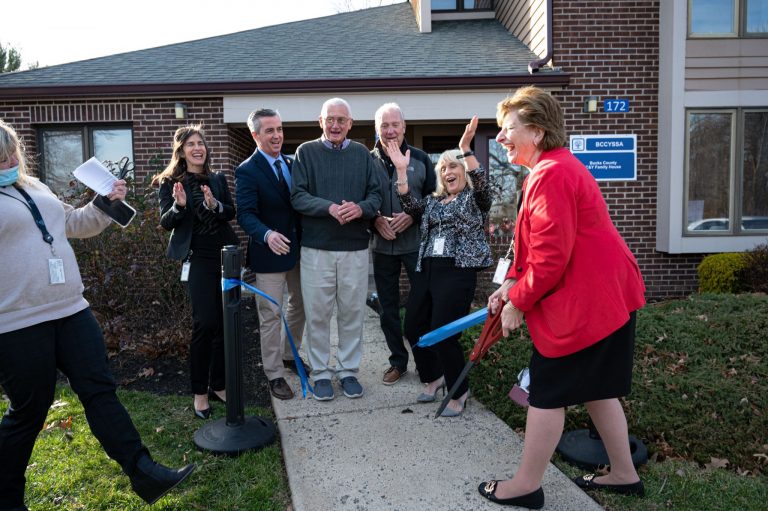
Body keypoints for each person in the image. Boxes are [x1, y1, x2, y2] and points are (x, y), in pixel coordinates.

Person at [0, 119, 195, 510]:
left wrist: (105, 202)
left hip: (71, 308)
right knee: (29, 412)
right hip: (18, 322)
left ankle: (145, 472)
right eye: (2, 154)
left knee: (100, 389)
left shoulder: (32, 186)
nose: (10, 158)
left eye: (11, 150)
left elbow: (71, 223)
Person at [477, 86, 646, 509]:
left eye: (507, 129)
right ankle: (624, 474)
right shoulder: (553, 168)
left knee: (548, 391)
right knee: (597, 388)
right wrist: (509, 284)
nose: (500, 138)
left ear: (536, 131)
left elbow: (551, 259)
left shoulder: (552, 174)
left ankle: (526, 485)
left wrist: (519, 302)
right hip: (605, 301)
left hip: (589, 306)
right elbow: (535, 248)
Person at [392, 116, 492, 417]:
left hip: (458, 271)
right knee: (413, 327)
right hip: (427, 268)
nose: (448, 171)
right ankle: (433, 377)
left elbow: (484, 185)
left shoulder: (474, 200)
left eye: (454, 166)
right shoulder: (434, 202)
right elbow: (410, 206)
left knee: (444, 332)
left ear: (463, 171)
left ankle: (459, 391)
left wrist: (465, 148)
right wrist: (400, 171)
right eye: (444, 167)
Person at [291, 97, 382, 401]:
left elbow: (376, 196)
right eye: (330, 119)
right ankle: (320, 374)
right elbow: (298, 197)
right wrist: (329, 207)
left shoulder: (361, 155)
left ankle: (347, 371)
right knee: (317, 314)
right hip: (316, 249)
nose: (335, 125)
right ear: (321, 122)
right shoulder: (306, 152)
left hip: (354, 248)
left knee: (351, 312)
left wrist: (360, 208)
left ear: (350, 124)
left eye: (341, 120)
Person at [152, 125, 239, 419]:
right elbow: (166, 222)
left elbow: (231, 212)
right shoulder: (170, 182)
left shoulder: (217, 178)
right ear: (181, 150)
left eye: (200, 143)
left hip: (225, 257)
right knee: (205, 323)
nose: (197, 148)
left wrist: (215, 205)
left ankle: (220, 384)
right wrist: (179, 206)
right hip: (198, 259)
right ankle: (200, 392)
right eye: (191, 144)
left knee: (226, 322)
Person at [236, 108, 306, 400]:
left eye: (279, 129)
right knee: (270, 314)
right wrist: (266, 234)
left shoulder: (292, 163)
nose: (277, 135)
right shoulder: (247, 170)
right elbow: (245, 214)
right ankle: (274, 374)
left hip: (298, 252)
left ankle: (290, 355)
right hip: (268, 253)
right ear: (255, 135)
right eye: (269, 131)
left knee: (301, 305)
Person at [370, 102, 436, 386]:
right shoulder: (366, 160)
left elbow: (436, 199)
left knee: (421, 305)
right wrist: (374, 220)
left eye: (395, 124)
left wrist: (413, 215)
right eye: (384, 125)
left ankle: (426, 361)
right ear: (377, 129)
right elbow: (361, 198)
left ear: (404, 126)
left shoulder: (421, 159)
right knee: (387, 308)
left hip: (415, 245)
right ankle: (398, 361)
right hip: (382, 247)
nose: (390, 130)